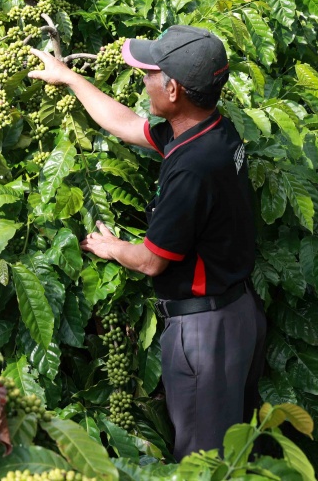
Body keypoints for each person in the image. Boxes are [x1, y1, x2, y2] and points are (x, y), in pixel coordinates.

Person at [29, 26, 266, 461]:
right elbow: (126, 124)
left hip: (205, 335)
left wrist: (112, 247)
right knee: (234, 451)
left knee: (201, 464)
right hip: (239, 315)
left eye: (151, 73)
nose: (144, 79)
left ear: (173, 89)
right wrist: (70, 77)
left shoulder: (192, 168)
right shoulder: (212, 130)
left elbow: (153, 261)